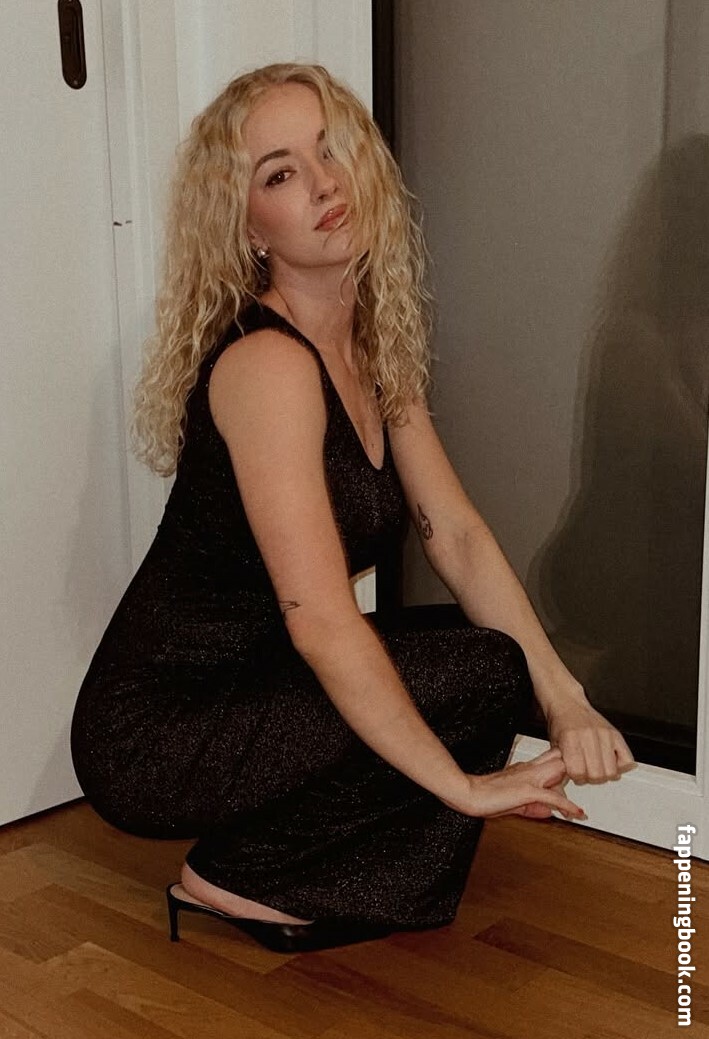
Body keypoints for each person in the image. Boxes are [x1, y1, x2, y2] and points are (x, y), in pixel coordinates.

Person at [70, 62, 635, 954]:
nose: (324, 183)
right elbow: (324, 624)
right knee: (459, 676)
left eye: (332, 150)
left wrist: (565, 698)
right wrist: (460, 787)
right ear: (247, 226)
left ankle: (267, 858)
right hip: (164, 729)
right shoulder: (267, 366)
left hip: (262, 685)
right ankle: (240, 875)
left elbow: (455, 534)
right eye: (280, 173)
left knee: (491, 665)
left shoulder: (370, 344)